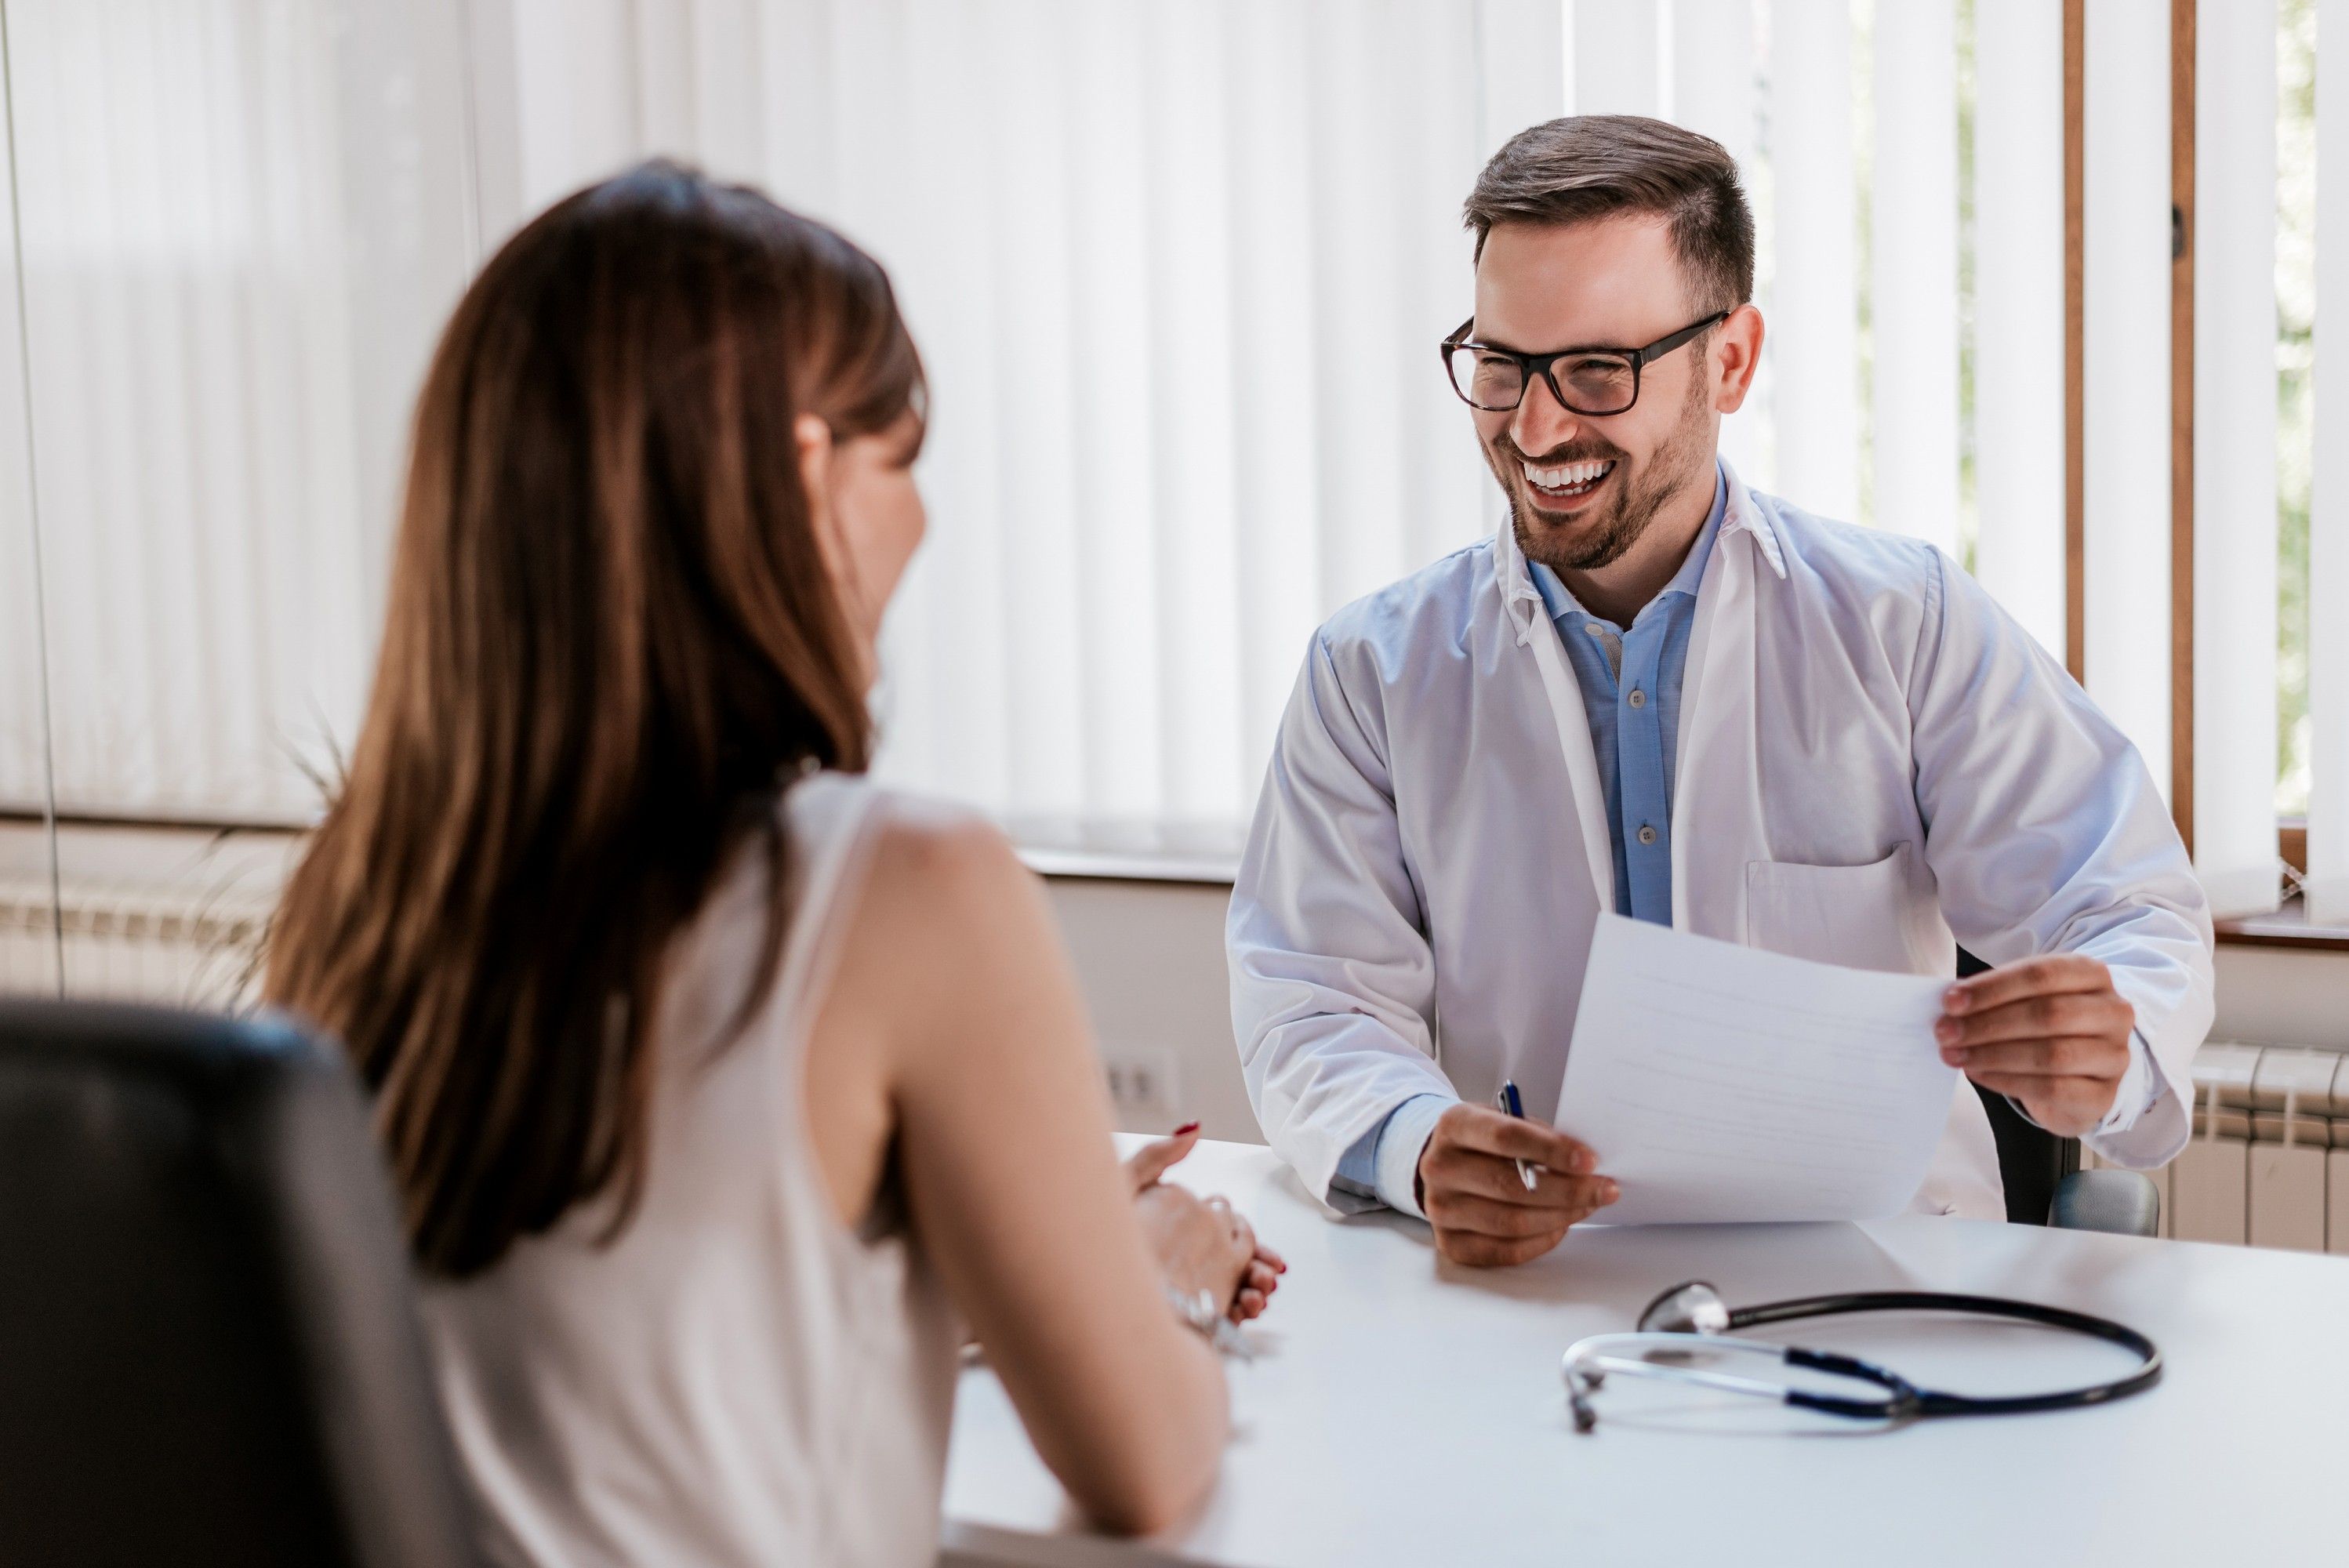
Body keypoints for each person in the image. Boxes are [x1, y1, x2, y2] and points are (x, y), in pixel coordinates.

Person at [266, 162, 1280, 1565]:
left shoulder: (366, 890)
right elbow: (1146, 1470)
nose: (920, 522)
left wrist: (984, 1261)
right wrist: (1157, 1276)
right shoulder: (904, 884)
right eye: (904, 460)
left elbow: (605, 1330)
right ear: (808, 477)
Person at [1228, 115, 2214, 1266]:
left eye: (1597, 369)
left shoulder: (1905, 624)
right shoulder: (1371, 674)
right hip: (1540, 1302)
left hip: (1882, 1275)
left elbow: (2126, 904)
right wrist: (1409, 1142)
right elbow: (1309, 997)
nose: (1536, 427)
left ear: (1730, 361)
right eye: (1502, 365)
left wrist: (2114, 1038)